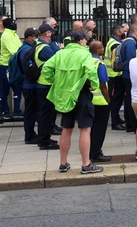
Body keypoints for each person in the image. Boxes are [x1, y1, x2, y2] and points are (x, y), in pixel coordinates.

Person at [42, 31, 103, 174]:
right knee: (85, 129)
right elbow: (91, 70)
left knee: (66, 128)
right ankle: (86, 164)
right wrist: (94, 84)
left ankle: (63, 163)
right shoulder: (84, 54)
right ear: (81, 41)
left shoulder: (60, 53)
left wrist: (54, 81)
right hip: (81, 93)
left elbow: (46, 68)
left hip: (65, 95)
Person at [33, 24, 62, 150]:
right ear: (47, 34)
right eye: (51, 32)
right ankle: (44, 141)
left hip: (44, 83)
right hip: (46, 84)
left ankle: (45, 138)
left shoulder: (41, 46)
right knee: (46, 114)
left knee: (46, 113)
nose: (52, 34)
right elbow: (57, 61)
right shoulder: (44, 48)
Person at [88, 41, 112, 163]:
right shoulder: (100, 64)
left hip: (89, 99)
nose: (103, 49)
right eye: (102, 48)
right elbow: (103, 85)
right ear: (97, 51)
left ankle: (89, 151)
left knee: (89, 128)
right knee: (99, 129)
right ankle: (96, 153)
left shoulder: (87, 61)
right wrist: (108, 100)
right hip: (100, 101)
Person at [118, 24, 137, 133]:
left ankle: (130, 124)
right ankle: (132, 124)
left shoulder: (126, 41)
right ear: (135, 31)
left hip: (127, 74)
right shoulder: (131, 43)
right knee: (131, 99)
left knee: (129, 98)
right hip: (130, 75)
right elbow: (131, 61)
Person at [0, 18, 22, 118]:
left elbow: (20, 48)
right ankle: (4, 112)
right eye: (12, 23)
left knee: (17, 88)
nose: (14, 24)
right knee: (5, 89)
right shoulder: (6, 35)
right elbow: (14, 51)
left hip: (14, 66)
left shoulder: (14, 34)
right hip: (5, 65)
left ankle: (17, 110)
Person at [104, 24, 125, 130]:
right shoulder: (115, 44)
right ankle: (115, 122)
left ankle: (116, 118)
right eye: (122, 31)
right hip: (115, 75)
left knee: (116, 99)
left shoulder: (113, 41)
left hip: (113, 74)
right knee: (116, 99)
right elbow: (116, 60)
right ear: (118, 33)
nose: (124, 33)